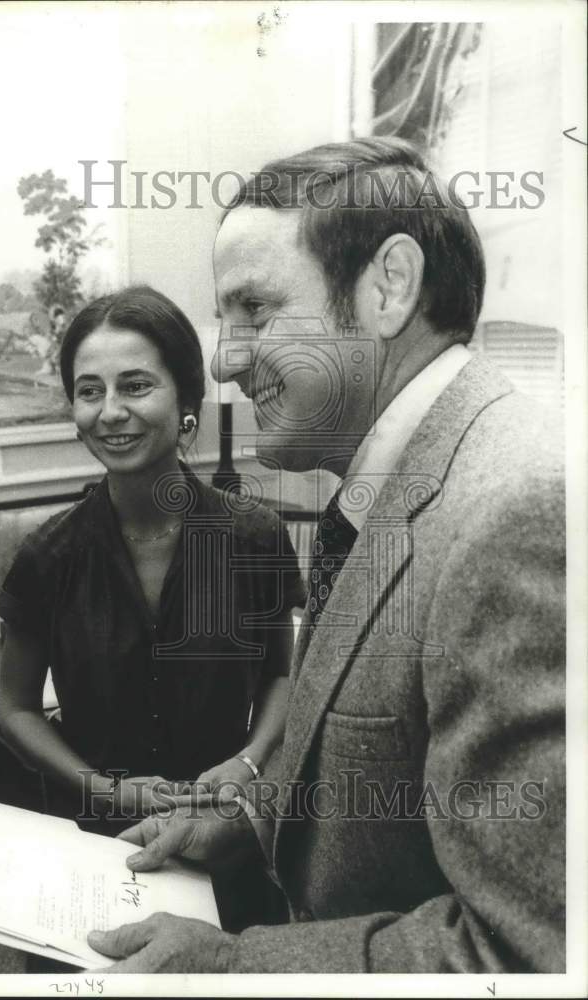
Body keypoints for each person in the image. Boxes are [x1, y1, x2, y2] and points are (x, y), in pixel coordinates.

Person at [86, 138, 566, 973]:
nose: (226, 361)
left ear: (388, 286)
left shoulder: (518, 512)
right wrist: (250, 822)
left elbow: (527, 957)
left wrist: (231, 968)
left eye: (256, 311)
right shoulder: (398, 482)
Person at [0, 285, 303, 831]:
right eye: (90, 391)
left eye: (136, 386)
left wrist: (249, 761)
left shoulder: (257, 538)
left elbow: (280, 673)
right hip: (102, 840)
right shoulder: (48, 555)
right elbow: (17, 709)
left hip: (228, 828)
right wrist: (103, 789)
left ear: (187, 400)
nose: (111, 412)